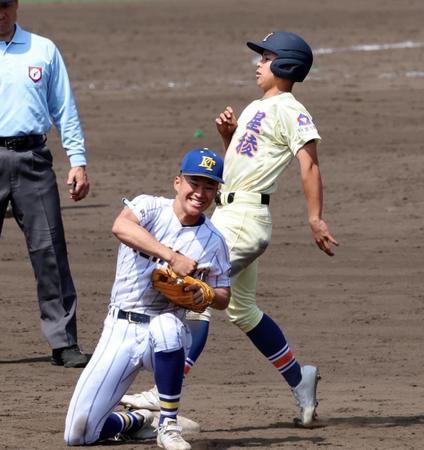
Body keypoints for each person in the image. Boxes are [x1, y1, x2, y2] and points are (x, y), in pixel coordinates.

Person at [122, 31, 338, 428]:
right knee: (241, 309)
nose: (257, 63)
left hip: (243, 220)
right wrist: (228, 137)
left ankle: (164, 389)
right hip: (229, 215)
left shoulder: (291, 109)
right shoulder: (259, 106)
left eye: (266, 57)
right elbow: (241, 166)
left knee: (194, 293)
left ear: (286, 65)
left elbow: (309, 163)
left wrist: (314, 217)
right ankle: (299, 378)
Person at [64, 148, 231, 450]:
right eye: (195, 183)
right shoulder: (150, 208)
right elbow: (121, 226)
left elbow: (224, 297)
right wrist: (171, 256)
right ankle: (140, 420)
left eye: (210, 186)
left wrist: (206, 294)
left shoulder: (214, 240)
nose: (201, 193)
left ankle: (168, 425)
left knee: (165, 325)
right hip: (120, 328)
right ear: (177, 182)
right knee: (79, 433)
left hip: (166, 334)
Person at [0, 0, 89, 367]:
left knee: (50, 250)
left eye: (4, 5)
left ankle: (63, 341)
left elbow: (64, 108)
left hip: (33, 159)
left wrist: (78, 160)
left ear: (16, 6)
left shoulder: (43, 49)